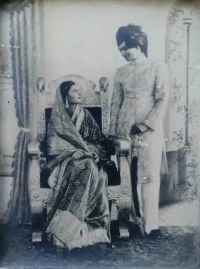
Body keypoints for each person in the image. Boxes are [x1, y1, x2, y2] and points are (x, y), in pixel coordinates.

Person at [109, 24, 169, 240]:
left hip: (149, 130)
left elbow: (162, 100)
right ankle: (130, 221)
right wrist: (113, 133)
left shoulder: (157, 66)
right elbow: (115, 104)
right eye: (120, 50)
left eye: (126, 48)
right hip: (125, 130)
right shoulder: (121, 72)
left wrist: (145, 125)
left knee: (148, 175)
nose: (123, 53)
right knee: (127, 175)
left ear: (139, 44)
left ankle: (151, 225)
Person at [44, 81, 110, 250]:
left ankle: (73, 229)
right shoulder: (57, 117)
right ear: (65, 96)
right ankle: (64, 230)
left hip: (87, 158)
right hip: (64, 162)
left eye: (80, 90)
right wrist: (71, 152)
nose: (79, 93)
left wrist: (94, 152)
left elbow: (99, 141)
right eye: (75, 91)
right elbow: (51, 144)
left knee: (90, 165)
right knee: (86, 166)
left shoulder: (85, 115)